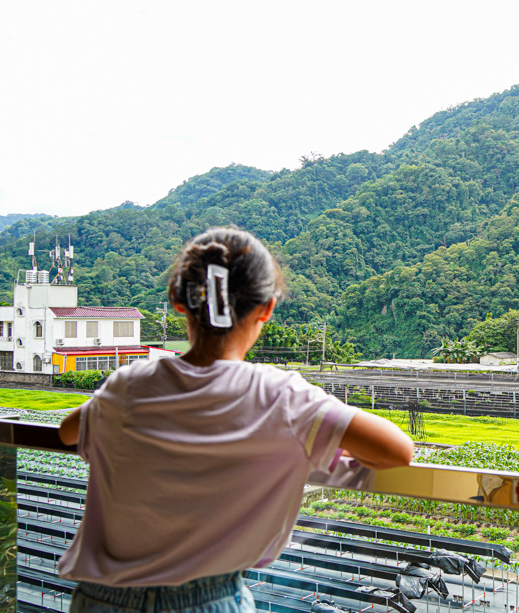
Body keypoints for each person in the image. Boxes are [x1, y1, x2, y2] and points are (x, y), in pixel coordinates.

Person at [56, 227, 414, 613]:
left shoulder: (129, 385)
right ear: (267, 309)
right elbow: (397, 449)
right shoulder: (284, 397)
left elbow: (68, 431)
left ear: (179, 301)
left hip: (98, 599)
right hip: (208, 600)